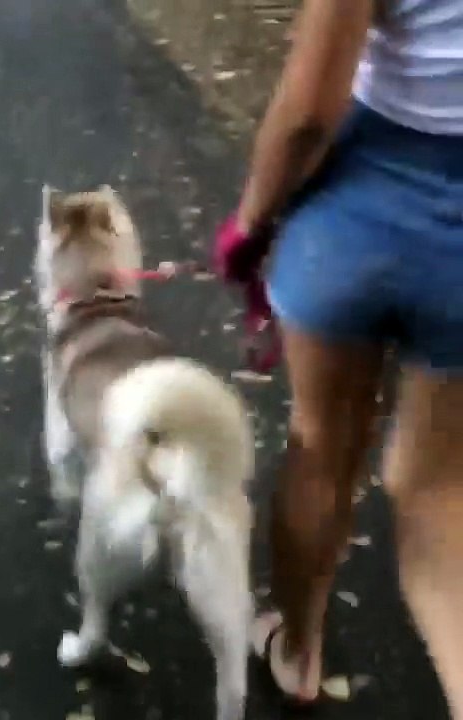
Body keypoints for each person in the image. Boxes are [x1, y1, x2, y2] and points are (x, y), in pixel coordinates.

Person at [213, 0, 463, 712]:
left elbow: (309, 114)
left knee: (322, 447)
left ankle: (296, 655)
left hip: (359, 211)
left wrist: (250, 223)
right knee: (441, 497)